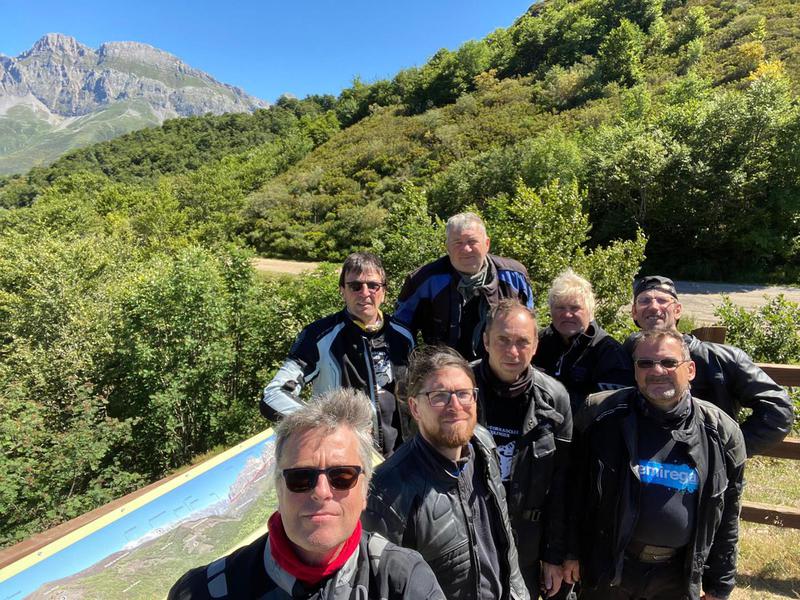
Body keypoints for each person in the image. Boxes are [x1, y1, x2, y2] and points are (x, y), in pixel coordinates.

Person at [169, 389, 446, 600]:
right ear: (279, 488)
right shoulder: (205, 591)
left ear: (364, 490)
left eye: (342, 476)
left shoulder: (403, 580)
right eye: (301, 478)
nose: (321, 492)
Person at [572, 330, 746, 600]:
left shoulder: (722, 432)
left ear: (690, 370)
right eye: (645, 363)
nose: (657, 371)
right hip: (610, 570)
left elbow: (727, 515)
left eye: (668, 362)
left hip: (677, 575)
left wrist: (719, 586)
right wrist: (568, 554)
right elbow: (571, 490)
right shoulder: (601, 415)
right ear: (634, 371)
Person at [363, 346, 530, 600]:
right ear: (415, 408)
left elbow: (503, 535)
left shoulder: (483, 445)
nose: (455, 406)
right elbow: (381, 586)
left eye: (463, 394)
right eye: (439, 396)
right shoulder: (387, 489)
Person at [261, 252, 414, 457]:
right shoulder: (318, 336)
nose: (365, 292)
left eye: (373, 285)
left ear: (384, 292)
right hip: (343, 459)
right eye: (355, 286)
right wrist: (324, 426)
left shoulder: (403, 335)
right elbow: (273, 395)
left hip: (400, 458)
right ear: (342, 290)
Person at [626, 275, 793, 457]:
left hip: (708, 472)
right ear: (634, 312)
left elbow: (778, 409)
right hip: (642, 468)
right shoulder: (624, 356)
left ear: (678, 310)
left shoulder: (722, 359)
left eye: (662, 300)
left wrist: (728, 451)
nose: (653, 306)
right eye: (644, 301)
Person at [474, 299, 572, 598]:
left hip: (526, 542)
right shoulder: (460, 388)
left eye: (522, 342)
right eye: (503, 340)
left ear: (535, 345)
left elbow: (563, 484)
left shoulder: (555, 398)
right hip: (470, 533)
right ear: (486, 341)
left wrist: (553, 555)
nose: (512, 351)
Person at [395, 212, 534, 361]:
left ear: (487, 244)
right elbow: (399, 331)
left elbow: (529, 328)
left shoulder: (514, 276)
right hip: (444, 368)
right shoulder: (423, 280)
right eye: (457, 243)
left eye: (472, 241)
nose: (466, 249)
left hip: (500, 366)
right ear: (447, 247)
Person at [533, 269, 634, 412]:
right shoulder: (538, 342)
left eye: (575, 308)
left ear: (590, 311)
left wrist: (551, 397)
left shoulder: (609, 352)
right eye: (560, 308)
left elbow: (613, 407)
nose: (567, 314)